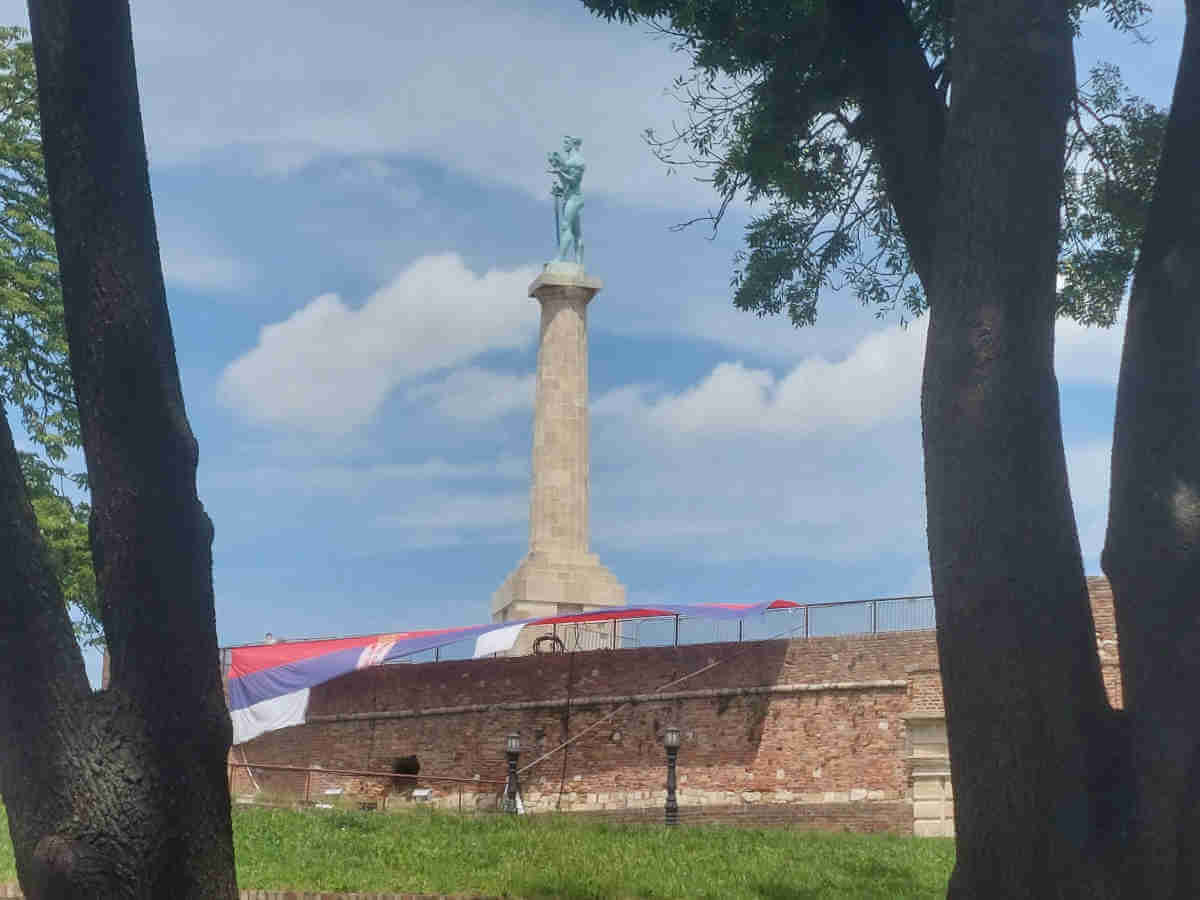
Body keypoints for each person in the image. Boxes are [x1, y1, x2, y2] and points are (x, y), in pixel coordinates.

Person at [548, 136, 585, 264]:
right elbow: (567, 185)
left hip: (575, 199)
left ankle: (560, 258)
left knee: (565, 226)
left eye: (566, 143)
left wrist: (559, 172)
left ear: (573, 144)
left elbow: (574, 181)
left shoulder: (578, 161)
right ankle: (579, 264)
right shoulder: (569, 161)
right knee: (577, 233)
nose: (564, 145)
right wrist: (560, 190)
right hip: (570, 198)